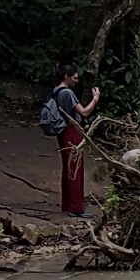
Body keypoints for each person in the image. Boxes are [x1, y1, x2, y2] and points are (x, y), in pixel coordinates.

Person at [49, 61, 100, 218]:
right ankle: (77, 208)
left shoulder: (55, 91)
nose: (76, 81)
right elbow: (83, 112)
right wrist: (95, 99)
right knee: (75, 168)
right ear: (66, 77)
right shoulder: (67, 93)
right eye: (75, 78)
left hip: (63, 131)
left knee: (68, 166)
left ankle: (67, 204)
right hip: (71, 130)